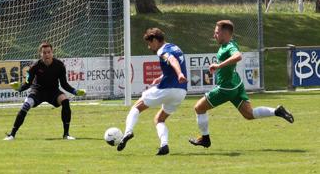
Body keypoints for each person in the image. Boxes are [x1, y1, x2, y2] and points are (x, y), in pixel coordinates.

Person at [189, 20, 294, 148]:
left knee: (199, 108)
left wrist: (219, 65)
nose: (214, 35)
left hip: (226, 88)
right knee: (249, 114)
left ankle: (205, 139)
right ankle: (277, 111)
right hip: (236, 84)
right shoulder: (230, 43)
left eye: (216, 33)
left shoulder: (229, 46)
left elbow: (238, 56)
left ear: (225, 33)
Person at [117, 28, 188, 155]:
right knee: (159, 119)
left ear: (155, 40)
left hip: (167, 88)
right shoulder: (175, 47)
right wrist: (161, 77)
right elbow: (173, 65)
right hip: (181, 92)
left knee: (136, 107)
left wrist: (179, 74)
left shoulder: (162, 50)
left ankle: (128, 131)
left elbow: (172, 61)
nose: (149, 47)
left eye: (150, 44)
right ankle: (164, 145)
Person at [3, 41, 86, 141]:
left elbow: (64, 84)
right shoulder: (34, 66)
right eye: (44, 52)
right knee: (26, 105)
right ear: (40, 54)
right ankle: (12, 135)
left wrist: (75, 91)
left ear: (52, 52)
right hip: (37, 91)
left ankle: (66, 135)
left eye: (49, 52)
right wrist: (19, 88)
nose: (47, 54)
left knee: (65, 101)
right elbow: (28, 83)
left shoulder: (59, 65)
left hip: (53, 92)